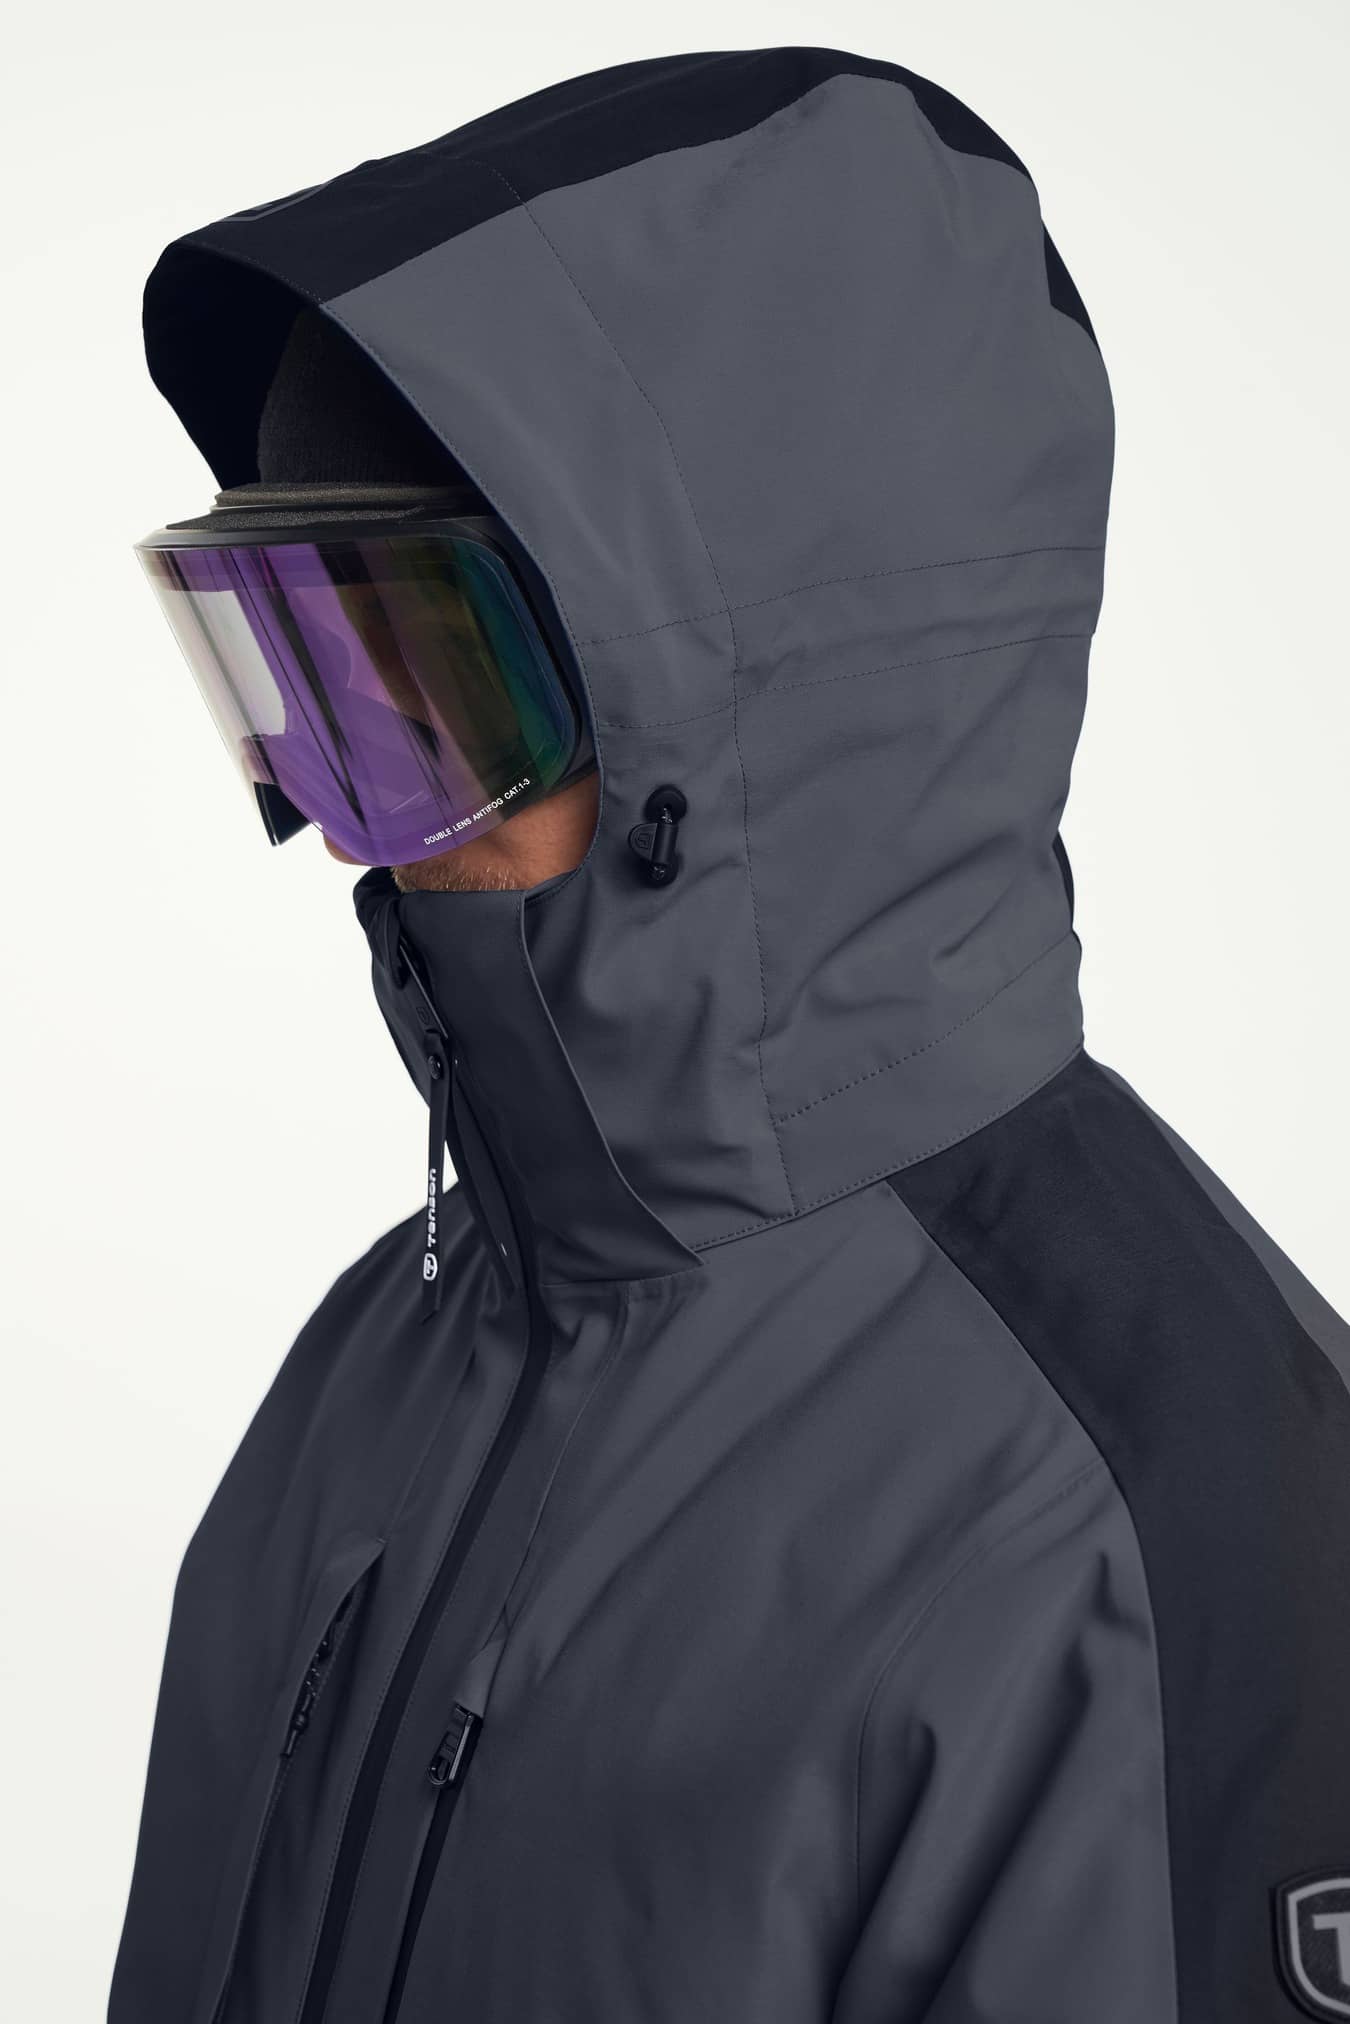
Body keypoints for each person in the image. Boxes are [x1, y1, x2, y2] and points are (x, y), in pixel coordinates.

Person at [111, 47, 1350, 2024]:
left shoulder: (1164, 1519)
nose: (361, 828)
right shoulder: (389, 1353)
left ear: (741, 708)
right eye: (310, 681)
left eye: (430, 678)